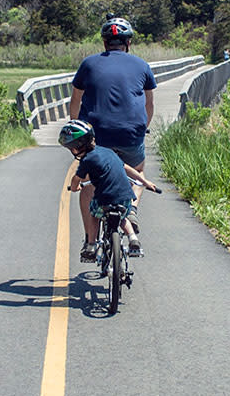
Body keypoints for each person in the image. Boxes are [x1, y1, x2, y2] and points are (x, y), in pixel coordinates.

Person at [68, 15, 156, 257]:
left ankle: (90, 243)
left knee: (88, 181)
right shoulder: (142, 65)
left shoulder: (88, 64)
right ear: (127, 43)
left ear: (105, 43)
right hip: (130, 136)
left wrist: (77, 129)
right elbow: (148, 105)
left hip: (97, 137)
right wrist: (141, 129)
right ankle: (132, 209)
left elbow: (75, 101)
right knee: (138, 172)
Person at [58, 119, 157, 260]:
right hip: (125, 195)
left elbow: (76, 179)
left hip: (104, 198)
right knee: (122, 217)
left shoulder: (87, 160)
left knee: (94, 216)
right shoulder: (109, 152)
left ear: (76, 148)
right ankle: (133, 238)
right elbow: (126, 168)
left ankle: (91, 244)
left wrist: (74, 188)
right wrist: (145, 181)